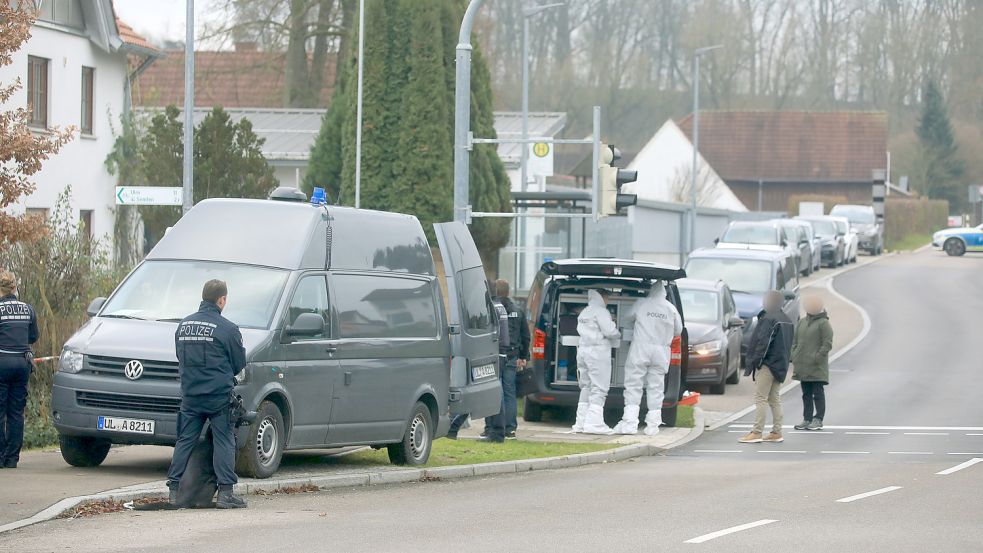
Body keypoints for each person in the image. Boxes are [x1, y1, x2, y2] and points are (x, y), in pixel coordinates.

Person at [167, 280, 247, 508]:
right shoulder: (228, 329)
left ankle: (173, 491)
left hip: (191, 395)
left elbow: (180, 357)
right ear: (221, 299)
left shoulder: (183, 326)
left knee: (184, 440)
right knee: (223, 440)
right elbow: (238, 363)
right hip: (218, 396)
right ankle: (225, 494)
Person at [613, 281, 682, 436]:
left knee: (633, 384)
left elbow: (627, 318)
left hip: (641, 349)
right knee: (656, 387)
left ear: (652, 291)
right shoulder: (671, 309)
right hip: (661, 352)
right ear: (664, 293)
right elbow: (678, 330)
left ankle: (630, 423)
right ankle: (653, 426)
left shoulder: (642, 304)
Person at [447, 283, 510, 442]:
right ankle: (494, 432)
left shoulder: (490, 308)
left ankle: (493, 432)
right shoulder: (500, 306)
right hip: (498, 354)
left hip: (489, 354)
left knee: (475, 391)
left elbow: (482, 332)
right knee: (491, 393)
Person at [739, 290, 794, 444]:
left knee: (760, 398)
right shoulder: (787, 319)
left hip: (768, 364)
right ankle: (777, 431)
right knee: (774, 398)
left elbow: (763, 342)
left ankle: (756, 432)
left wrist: (756, 361)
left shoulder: (769, 318)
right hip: (781, 364)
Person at [0, 272, 38, 469]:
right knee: (16, 412)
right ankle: (12, 458)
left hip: (1, 362)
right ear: (14, 288)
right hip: (22, 363)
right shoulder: (28, 309)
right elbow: (33, 337)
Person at [572, 289, 620, 435]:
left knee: (586, 386)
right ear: (602, 297)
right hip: (597, 352)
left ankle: (581, 423)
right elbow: (610, 331)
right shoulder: (601, 311)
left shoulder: (585, 311)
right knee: (599, 388)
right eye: (607, 297)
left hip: (583, 351)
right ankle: (594, 423)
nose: (608, 300)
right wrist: (618, 332)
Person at [492, 279, 529, 440]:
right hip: (513, 355)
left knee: (493, 391)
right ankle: (511, 429)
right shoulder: (518, 310)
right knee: (509, 392)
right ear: (508, 292)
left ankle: (492, 427)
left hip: (495, 355)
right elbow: (526, 336)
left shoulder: (491, 309)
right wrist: (523, 357)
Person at [792, 296, 833, 431]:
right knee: (806, 394)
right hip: (802, 365)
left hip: (817, 366)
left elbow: (827, 344)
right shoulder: (802, 322)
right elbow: (795, 342)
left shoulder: (824, 323)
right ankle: (807, 418)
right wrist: (794, 356)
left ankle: (818, 419)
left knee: (818, 393)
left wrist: (817, 357)